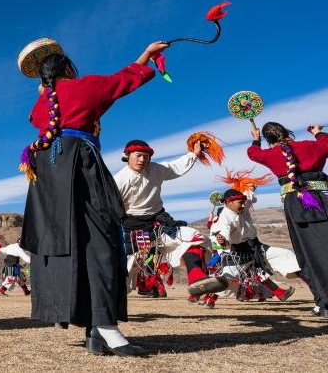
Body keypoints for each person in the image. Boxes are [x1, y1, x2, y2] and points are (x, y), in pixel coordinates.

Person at [18, 37, 169, 357]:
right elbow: (123, 81)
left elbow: (40, 117)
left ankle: (95, 331)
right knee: (103, 243)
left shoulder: (39, 106)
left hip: (48, 178)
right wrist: (146, 54)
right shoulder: (85, 88)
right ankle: (105, 328)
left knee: (71, 247)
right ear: (68, 69)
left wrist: (45, 92)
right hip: (80, 168)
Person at [247, 122, 328, 319]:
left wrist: (255, 139)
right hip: (322, 198)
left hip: (295, 203)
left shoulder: (270, 155)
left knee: (308, 253)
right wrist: (318, 133)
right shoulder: (310, 145)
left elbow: (253, 153)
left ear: (268, 139)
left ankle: (324, 305)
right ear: (287, 131)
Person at [113, 139, 226, 301]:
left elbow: (175, 167)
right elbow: (109, 210)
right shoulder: (118, 181)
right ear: (127, 155)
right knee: (121, 278)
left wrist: (194, 154)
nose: (142, 160)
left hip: (158, 223)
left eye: (146, 156)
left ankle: (197, 279)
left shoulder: (156, 170)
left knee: (192, 237)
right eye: (138, 156)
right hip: (131, 229)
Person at [210, 188, 299, 303]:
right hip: (234, 253)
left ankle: (284, 289)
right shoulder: (222, 220)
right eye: (240, 203)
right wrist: (222, 244)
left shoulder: (243, 207)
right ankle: (210, 296)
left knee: (263, 268)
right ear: (228, 203)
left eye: (243, 202)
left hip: (254, 247)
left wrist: (250, 187)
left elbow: (249, 196)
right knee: (230, 277)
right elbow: (220, 238)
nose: (243, 205)